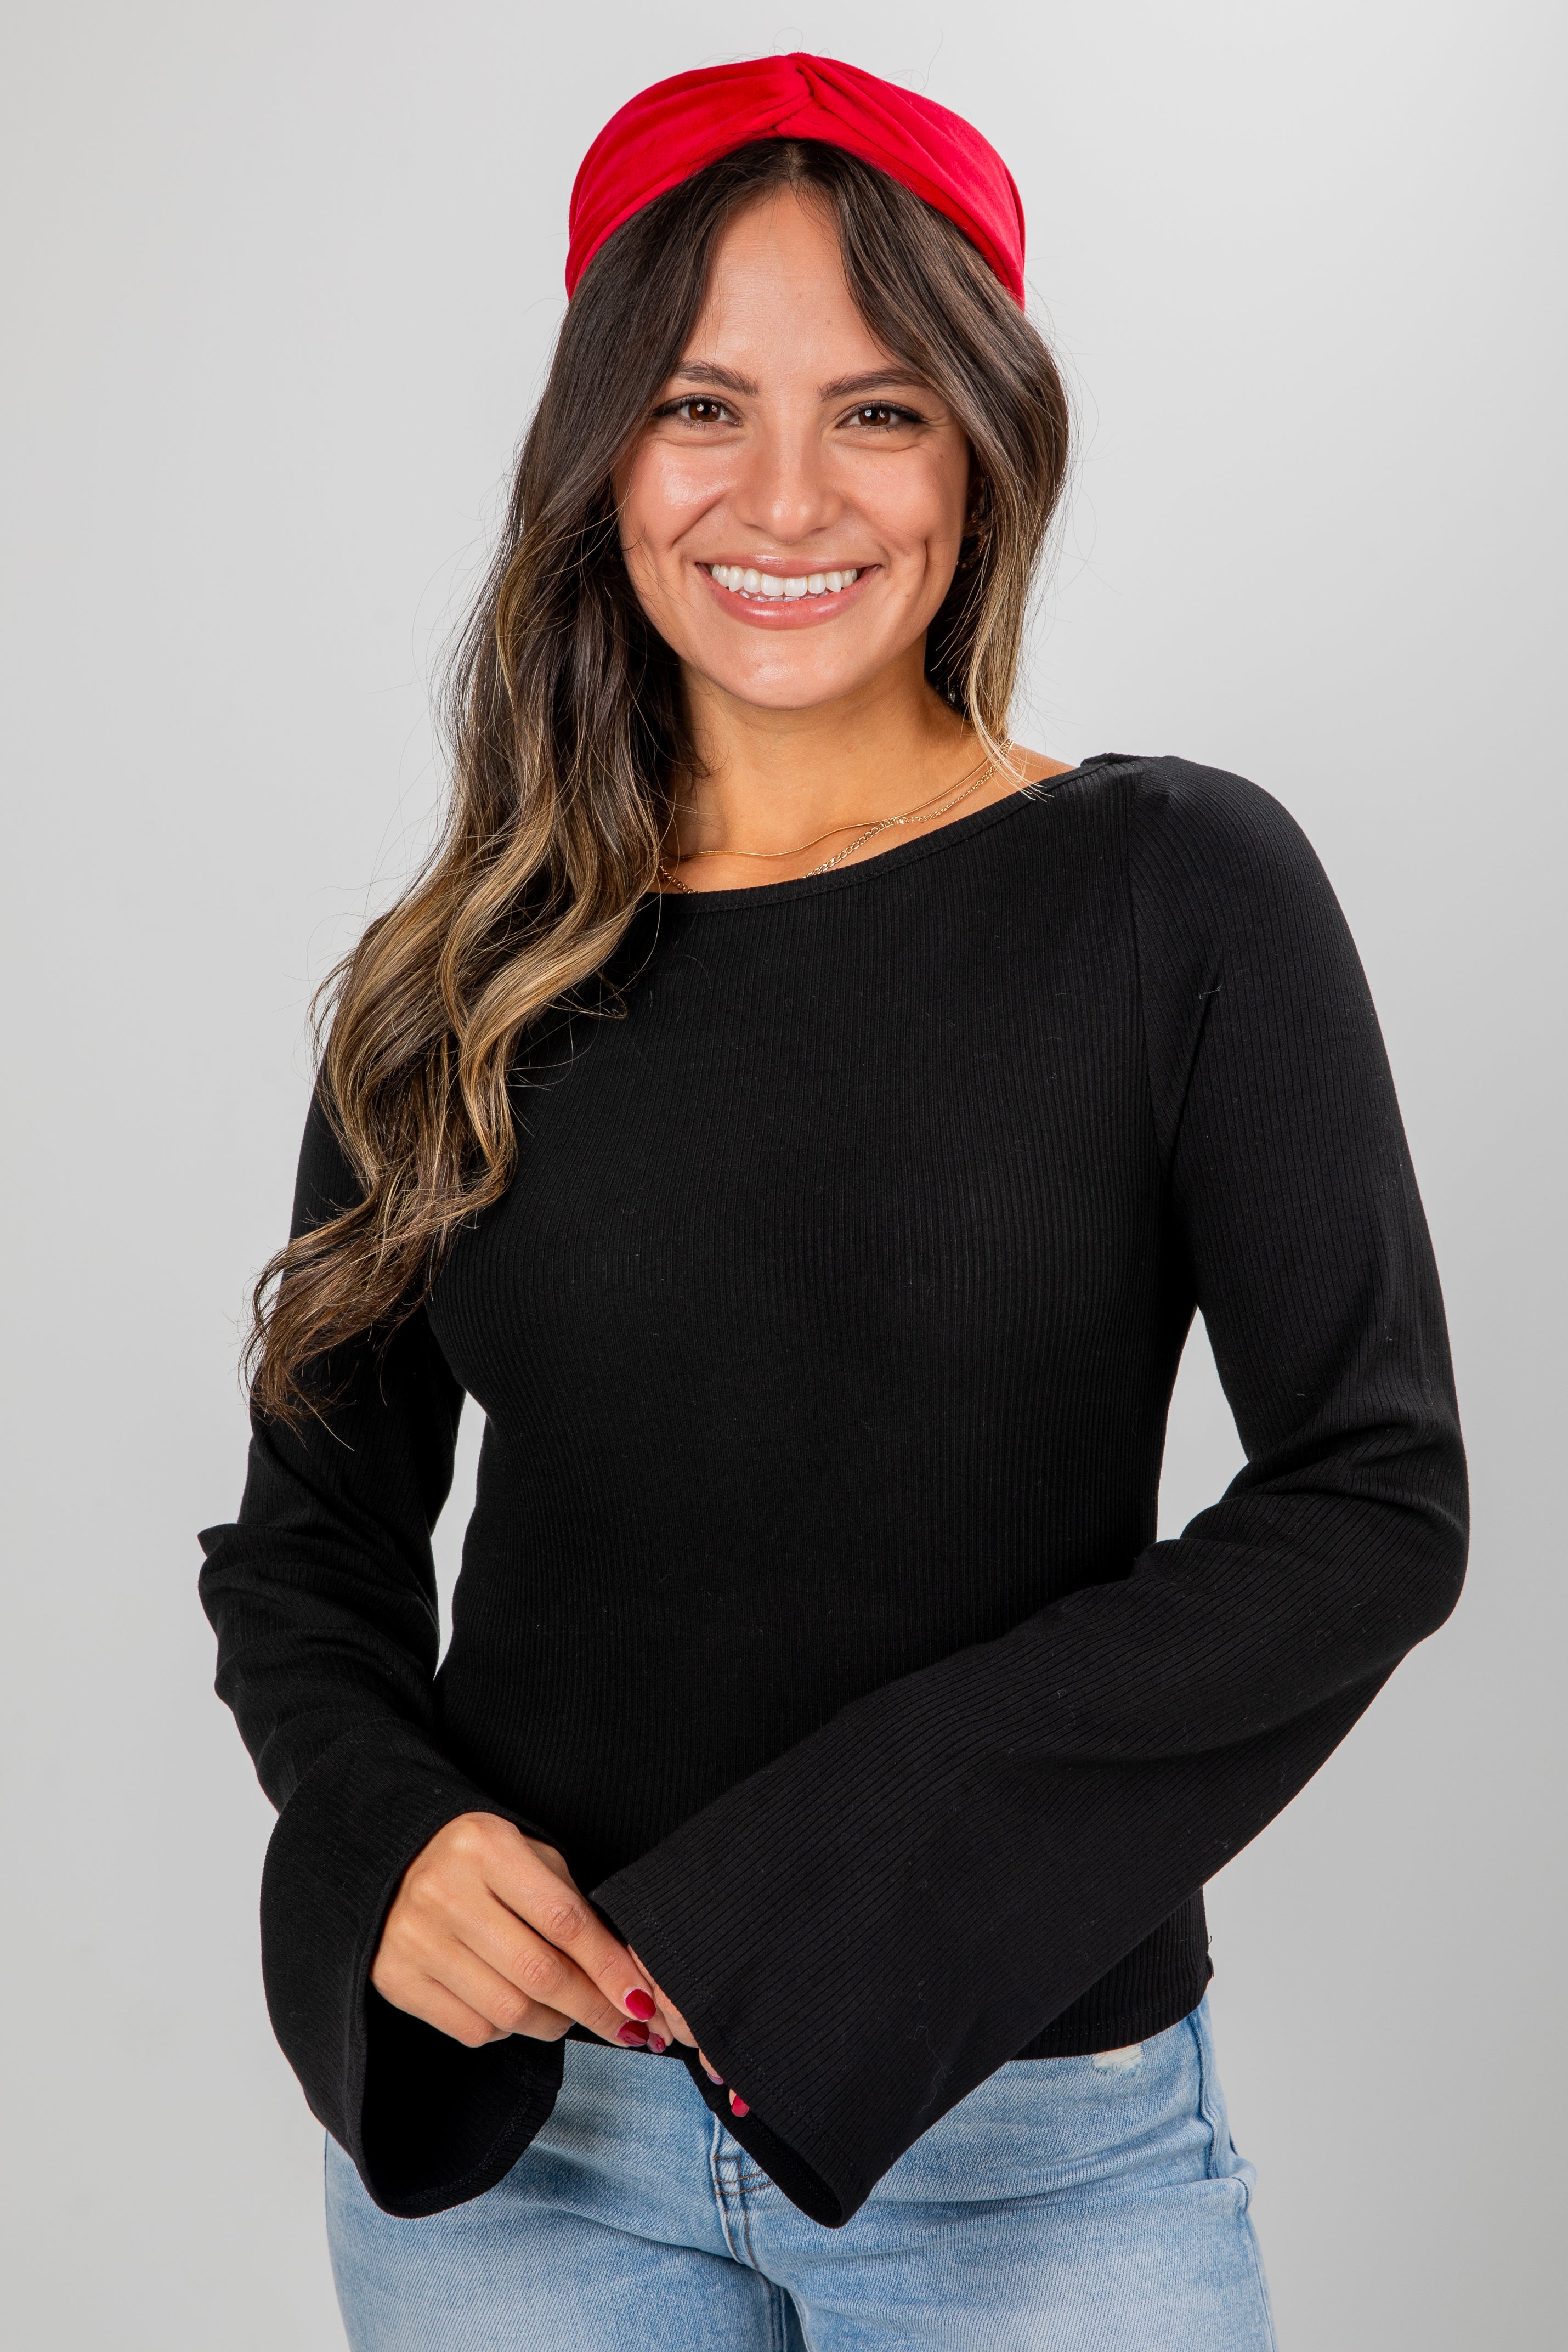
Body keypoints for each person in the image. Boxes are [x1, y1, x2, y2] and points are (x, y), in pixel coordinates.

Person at [199, 52, 1467, 2351]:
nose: (786, 493)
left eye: (878, 409)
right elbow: (308, 1542)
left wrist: (820, 1884)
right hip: (522, 2159)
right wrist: (385, 1836)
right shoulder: (459, 977)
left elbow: (1375, 1502)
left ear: (982, 447)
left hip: (1034, 2145)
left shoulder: (1172, 892)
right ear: (602, 450)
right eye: (703, 403)